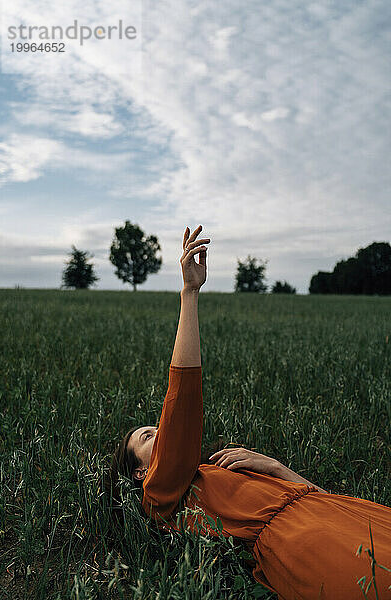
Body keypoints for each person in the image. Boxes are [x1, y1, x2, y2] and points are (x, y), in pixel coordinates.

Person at [107, 225, 391, 600]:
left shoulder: (214, 471)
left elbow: (317, 495)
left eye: (153, 428)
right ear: (141, 470)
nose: (159, 431)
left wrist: (274, 467)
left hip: (338, 513)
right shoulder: (160, 496)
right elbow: (182, 402)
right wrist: (189, 294)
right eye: (147, 436)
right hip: (306, 543)